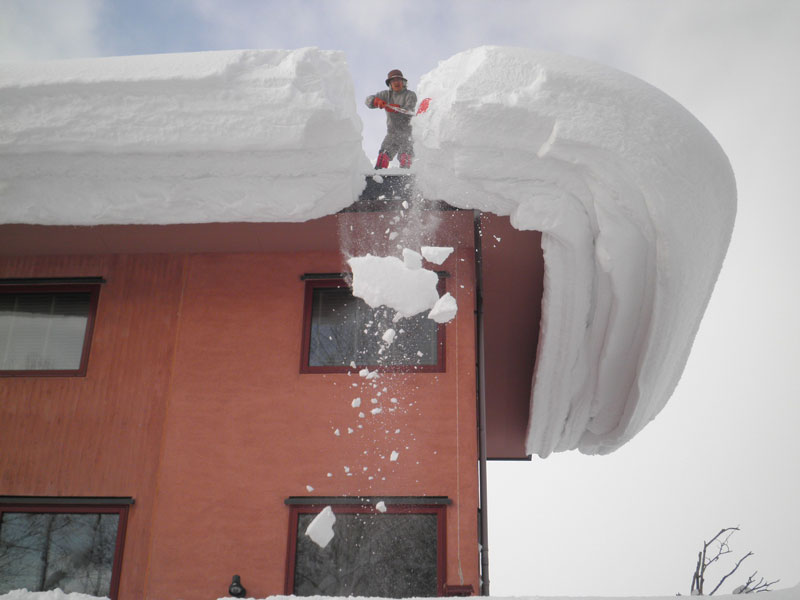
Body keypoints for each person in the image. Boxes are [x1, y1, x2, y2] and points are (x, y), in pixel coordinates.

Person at [365, 69, 417, 169]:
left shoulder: (410, 95)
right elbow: (367, 100)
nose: (396, 82)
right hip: (392, 133)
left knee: (405, 155)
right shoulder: (386, 95)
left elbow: (409, 110)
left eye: (398, 80)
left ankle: (406, 177)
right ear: (390, 83)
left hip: (407, 132)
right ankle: (378, 177)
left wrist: (395, 108)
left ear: (403, 82)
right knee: (383, 154)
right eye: (393, 81)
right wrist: (375, 101)